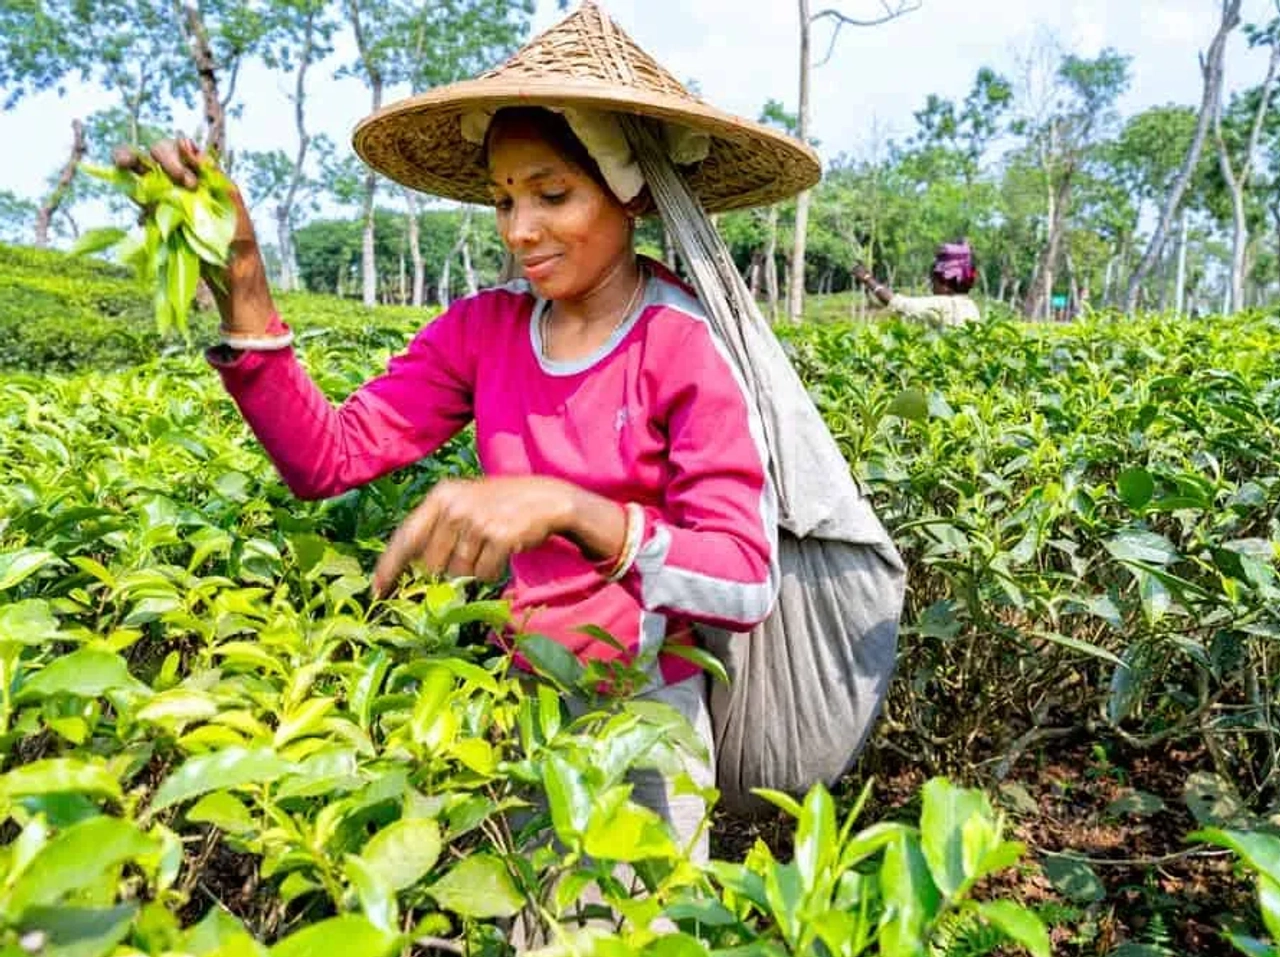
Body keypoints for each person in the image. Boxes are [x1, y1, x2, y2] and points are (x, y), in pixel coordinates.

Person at [112, 3, 821, 876]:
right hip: (513, 711)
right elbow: (327, 457)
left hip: (645, 723)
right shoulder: (484, 332)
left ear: (629, 189)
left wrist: (572, 509)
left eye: (552, 194)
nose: (520, 230)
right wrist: (245, 281)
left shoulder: (679, 345)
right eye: (504, 199)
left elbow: (745, 578)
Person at [852, 239, 981, 326]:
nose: (932, 287)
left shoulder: (944, 303)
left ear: (946, 284)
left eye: (934, 282)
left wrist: (867, 278)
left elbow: (897, 303)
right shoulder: (971, 306)